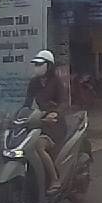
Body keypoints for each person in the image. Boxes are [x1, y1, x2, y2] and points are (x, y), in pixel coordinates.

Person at [25, 50, 67, 195]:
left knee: (39, 146)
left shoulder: (56, 82)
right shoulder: (33, 83)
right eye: (35, 64)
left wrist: (56, 113)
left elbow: (63, 102)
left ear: (48, 66)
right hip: (39, 121)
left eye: (39, 64)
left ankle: (55, 179)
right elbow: (27, 104)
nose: (36, 67)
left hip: (55, 125)